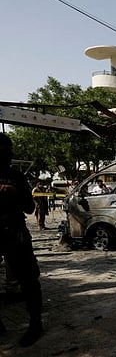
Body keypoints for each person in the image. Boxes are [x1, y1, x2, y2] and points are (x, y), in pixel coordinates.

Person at [0, 133, 43, 347]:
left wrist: (15, 192)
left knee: (28, 278)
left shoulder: (16, 177)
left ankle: (36, 323)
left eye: (10, 151)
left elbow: (29, 207)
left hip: (15, 233)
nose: (9, 155)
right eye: (4, 151)